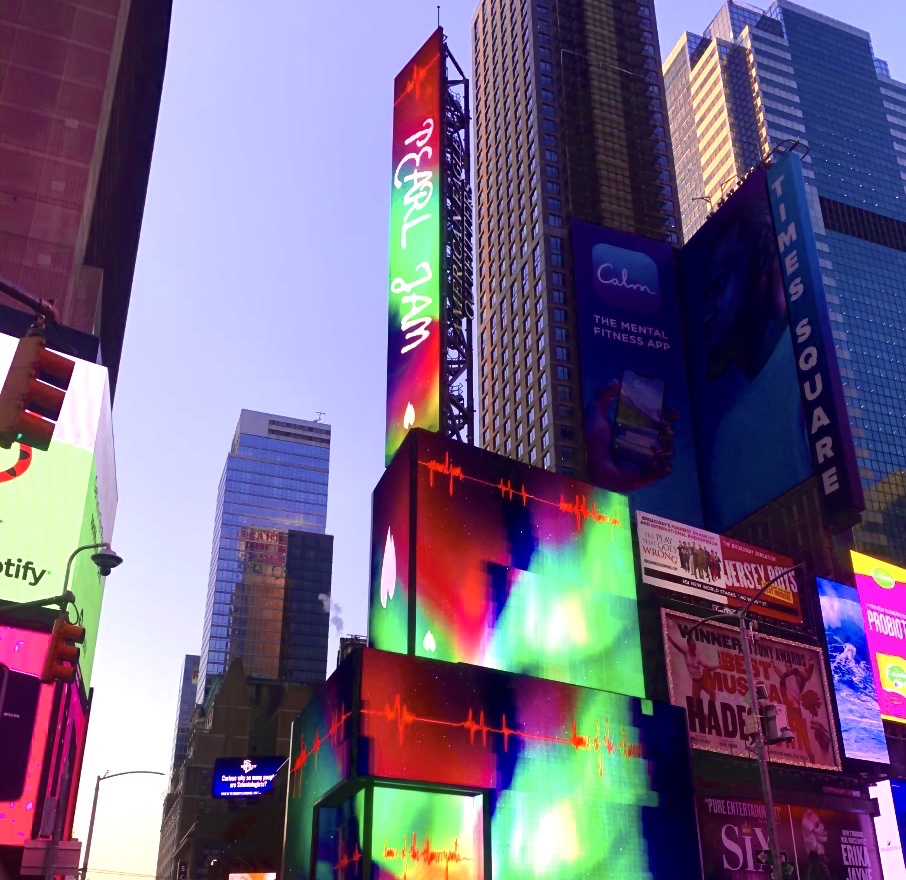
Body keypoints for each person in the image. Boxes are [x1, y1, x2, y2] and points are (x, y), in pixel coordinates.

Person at [774, 660, 817, 763]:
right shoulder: (785, 678)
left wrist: (811, 665)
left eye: (789, 666)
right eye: (786, 666)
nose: (788, 668)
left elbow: (807, 677)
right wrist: (773, 665)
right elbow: (779, 673)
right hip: (788, 709)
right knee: (787, 730)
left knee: (802, 733)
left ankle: (810, 754)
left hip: (796, 709)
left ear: (791, 666)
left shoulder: (796, 675)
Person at [668, 629, 718, 701]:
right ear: (689, 646)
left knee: (712, 694)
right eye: (692, 646)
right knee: (695, 703)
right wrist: (671, 640)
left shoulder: (698, 656)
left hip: (702, 680)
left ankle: (711, 708)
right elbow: (678, 647)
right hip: (695, 683)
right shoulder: (686, 653)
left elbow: (707, 667)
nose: (694, 647)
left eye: (695, 645)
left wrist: (718, 666)